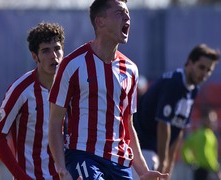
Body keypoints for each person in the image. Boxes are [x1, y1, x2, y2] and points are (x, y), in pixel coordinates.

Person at [48, 0, 169, 180]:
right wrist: (61, 168)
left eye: (128, 13)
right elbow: (55, 122)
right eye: (120, 12)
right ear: (100, 22)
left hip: (120, 163)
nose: (127, 16)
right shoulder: (73, 64)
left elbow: (127, 125)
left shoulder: (131, 70)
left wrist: (143, 171)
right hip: (83, 156)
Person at [133, 43, 220, 178]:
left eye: (209, 70)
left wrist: (169, 164)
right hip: (141, 146)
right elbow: (163, 125)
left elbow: (178, 129)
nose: (204, 74)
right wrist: (163, 161)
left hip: (152, 150)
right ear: (190, 63)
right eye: (201, 67)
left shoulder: (193, 89)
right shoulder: (175, 83)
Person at [0, 22, 65, 179]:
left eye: (57, 48)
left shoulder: (71, 86)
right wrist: (21, 176)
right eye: (46, 51)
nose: (53, 55)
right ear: (34, 56)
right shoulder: (21, 89)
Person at [181, 108, 221, 180]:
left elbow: (184, 148)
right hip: (205, 170)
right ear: (204, 119)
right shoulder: (205, 135)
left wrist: (191, 162)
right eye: (211, 119)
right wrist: (217, 169)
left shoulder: (199, 133)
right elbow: (206, 155)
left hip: (200, 170)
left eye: (215, 119)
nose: (214, 122)